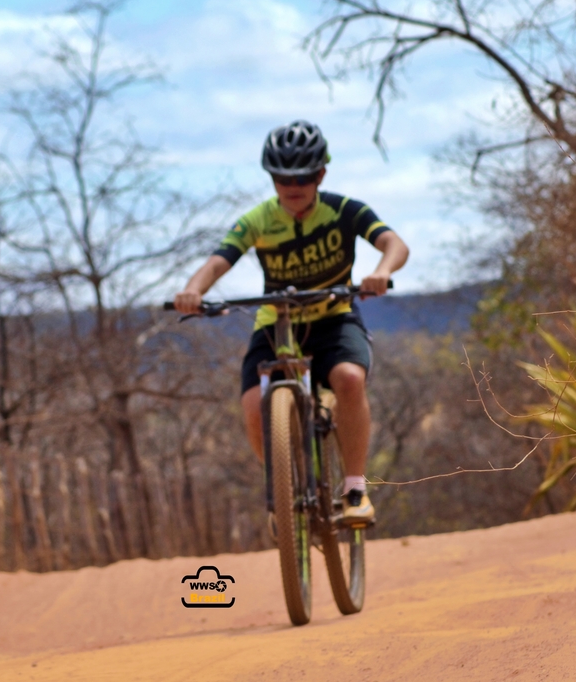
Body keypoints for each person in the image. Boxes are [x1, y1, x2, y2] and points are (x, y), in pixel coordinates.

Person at [174, 120, 409, 521]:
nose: (292, 185)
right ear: (272, 178)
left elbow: (394, 244)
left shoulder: (344, 210)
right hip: (277, 323)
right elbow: (217, 261)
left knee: (349, 379)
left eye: (303, 176)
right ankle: (284, 492)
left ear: (321, 174)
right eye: (283, 177)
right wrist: (192, 291)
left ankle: (355, 489)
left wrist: (382, 271)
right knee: (254, 407)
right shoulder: (258, 220)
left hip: (334, 317)